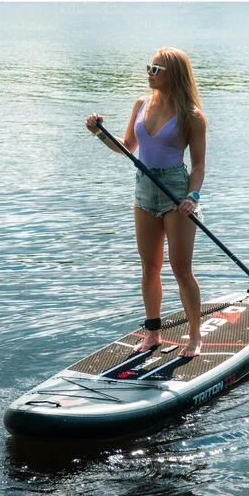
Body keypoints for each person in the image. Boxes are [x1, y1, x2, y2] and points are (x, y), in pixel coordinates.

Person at [86, 47, 207, 357]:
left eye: (156, 70)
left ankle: (195, 336)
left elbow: (198, 166)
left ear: (173, 75)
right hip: (144, 191)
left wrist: (192, 196)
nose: (149, 74)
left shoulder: (192, 116)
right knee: (150, 267)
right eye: (149, 68)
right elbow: (127, 146)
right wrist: (100, 133)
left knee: (181, 269)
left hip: (176, 194)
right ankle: (153, 334)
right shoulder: (141, 104)